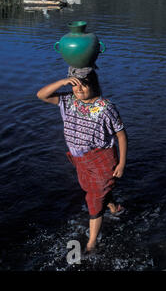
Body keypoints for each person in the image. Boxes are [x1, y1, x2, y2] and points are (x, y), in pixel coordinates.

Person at [36, 67, 127, 252]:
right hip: (80, 159)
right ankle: (114, 207)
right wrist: (62, 82)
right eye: (75, 85)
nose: (79, 90)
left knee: (94, 198)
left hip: (101, 158)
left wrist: (122, 163)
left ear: (94, 85)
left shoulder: (106, 108)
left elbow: (121, 136)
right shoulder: (68, 100)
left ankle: (91, 243)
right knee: (94, 189)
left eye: (84, 86)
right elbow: (41, 95)